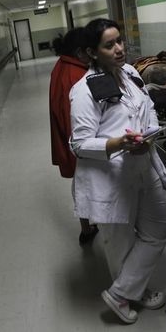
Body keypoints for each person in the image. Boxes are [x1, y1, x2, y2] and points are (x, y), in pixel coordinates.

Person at [69, 18, 166, 324]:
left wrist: (150, 132)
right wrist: (119, 143)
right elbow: (80, 143)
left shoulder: (129, 74)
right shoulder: (83, 91)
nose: (119, 49)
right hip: (111, 177)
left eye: (119, 41)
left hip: (143, 164)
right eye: (109, 44)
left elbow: (147, 107)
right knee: (121, 242)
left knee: (158, 230)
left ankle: (122, 291)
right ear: (91, 52)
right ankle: (129, 294)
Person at [49, 28, 99, 245]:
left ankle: (87, 227)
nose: (93, 55)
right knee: (86, 183)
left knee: (82, 182)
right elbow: (74, 117)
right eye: (90, 51)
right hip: (79, 141)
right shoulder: (75, 75)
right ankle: (88, 228)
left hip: (72, 138)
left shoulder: (63, 65)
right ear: (80, 52)